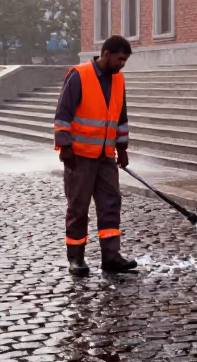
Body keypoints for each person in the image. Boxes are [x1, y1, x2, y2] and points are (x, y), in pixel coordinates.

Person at [52, 35, 136, 276]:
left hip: (105, 157)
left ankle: (111, 257)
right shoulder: (79, 75)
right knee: (78, 208)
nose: (122, 65)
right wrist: (65, 147)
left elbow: (121, 117)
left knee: (111, 205)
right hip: (79, 156)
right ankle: (76, 259)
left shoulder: (119, 81)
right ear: (106, 53)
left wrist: (122, 148)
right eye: (120, 59)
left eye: (125, 61)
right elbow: (63, 113)